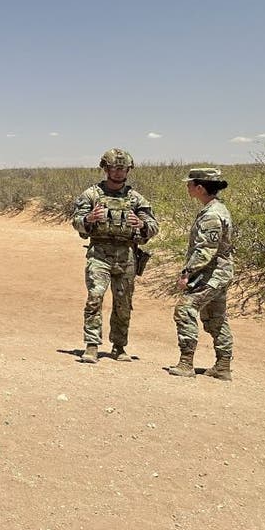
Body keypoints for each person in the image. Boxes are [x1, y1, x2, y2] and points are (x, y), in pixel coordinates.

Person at [70, 148, 159, 363]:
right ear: (105, 168)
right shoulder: (91, 195)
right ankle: (92, 345)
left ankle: (119, 347)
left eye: (123, 168)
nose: (119, 172)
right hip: (99, 254)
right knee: (94, 298)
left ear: (129, 170)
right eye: (114, 168)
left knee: (123, 303)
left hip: (126, 256)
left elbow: (154, 227)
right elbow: (76, 221)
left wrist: (141, 224)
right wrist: (89, 218)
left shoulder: (136, 199)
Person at [168, 167, 235, 380]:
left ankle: (186, 363)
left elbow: (206, 249)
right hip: (219, 273)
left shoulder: (212, 215)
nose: (187, 187)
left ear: (199, 187)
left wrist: (187, 272)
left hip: (212, 274)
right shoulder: (216, 209)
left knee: (184, 309)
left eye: (189, 184)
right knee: (216, 318)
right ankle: (223, 366)